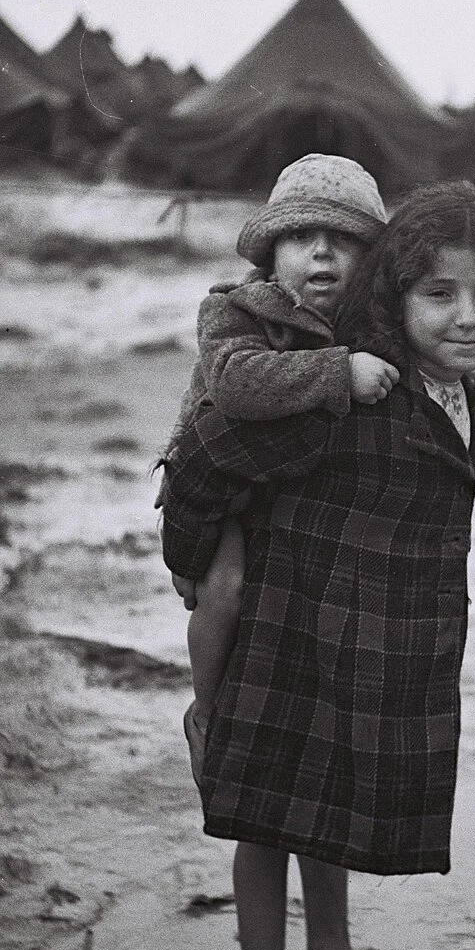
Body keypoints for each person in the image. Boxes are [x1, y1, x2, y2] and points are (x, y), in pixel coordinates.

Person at [160, 181, 475, 950]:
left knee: (320, 799)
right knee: (269, 813)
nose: (468, 317)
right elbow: (208, 451)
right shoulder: (345, 392)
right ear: (395, 294)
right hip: (289, 633)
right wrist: (197, 565)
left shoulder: (448, 389)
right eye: (439, 294)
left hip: (362, 636)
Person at [160, 153, 398, 783]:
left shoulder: (365, 321)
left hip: (285, 492)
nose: (321, 254)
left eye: (343, 240)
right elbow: (238, 386)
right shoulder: (238, 310)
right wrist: (337, 371)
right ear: (270, 251)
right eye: (301, 237)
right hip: (213, 486)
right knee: (225, 587)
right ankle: (206, 712)